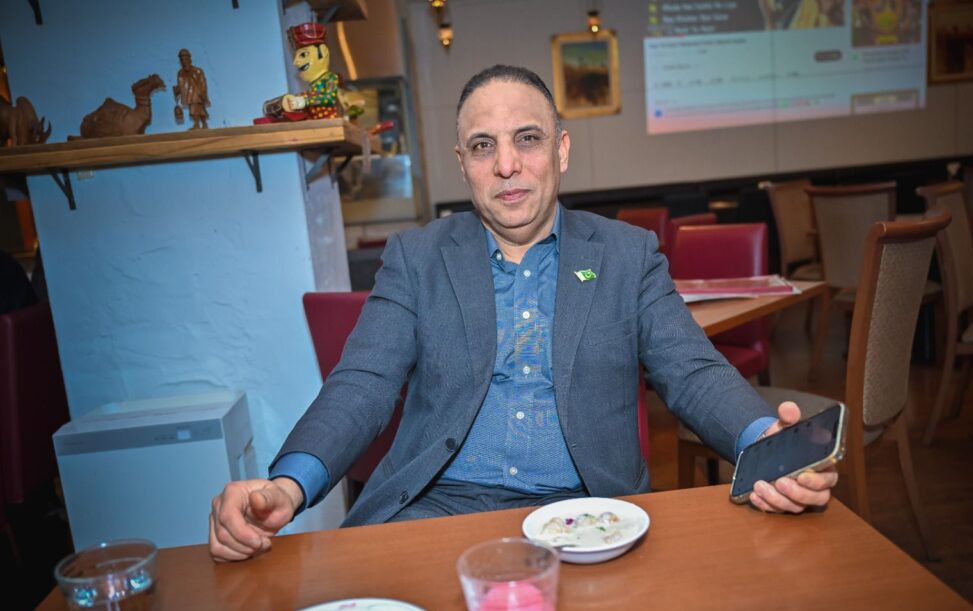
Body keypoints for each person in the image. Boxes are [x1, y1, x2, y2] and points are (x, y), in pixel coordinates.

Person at [209, 65, 838, 562]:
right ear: (463, 163)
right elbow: (362, 383)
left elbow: (692, 370)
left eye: (527, 139)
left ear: (561, 150)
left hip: (588, 517)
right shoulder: (416, 258)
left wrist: (765, 443)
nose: (506, 164)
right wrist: (286, 487)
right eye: (483, 146)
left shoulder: (627, 255)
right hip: (434, 510)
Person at [173, 49, 210, 130]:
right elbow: (180, 85)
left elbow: (203, 82)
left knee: (199, 109)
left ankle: (201, 124)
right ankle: (199, 124)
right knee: (195, 109)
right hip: (188, 95)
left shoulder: (197, 71)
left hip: (197, 94)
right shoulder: (180, 73)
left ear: (189, 59)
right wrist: (177, 93)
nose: (184, 61)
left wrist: (203, 93)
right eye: (182, 59)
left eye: (185, 59)